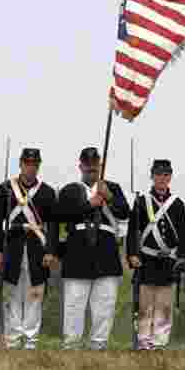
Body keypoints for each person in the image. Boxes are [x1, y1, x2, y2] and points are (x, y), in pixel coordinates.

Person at [54, 147, 130, 350]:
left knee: (104, 304)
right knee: (74, 304)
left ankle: (99, 344)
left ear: (100, 165)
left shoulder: (111, 187)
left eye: (94, 165)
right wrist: (89, 204)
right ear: (80, 166)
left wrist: (109, 197)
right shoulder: (70, 190)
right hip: (77, 251)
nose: (91, 169)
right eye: (87, 166)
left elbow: (125, 213)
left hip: (105, 251)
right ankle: (71, 344)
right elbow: (62, 215)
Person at [0, 148, 58, 350]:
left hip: (37, 248)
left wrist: (50, 251)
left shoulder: (47, 192)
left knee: (35, 295)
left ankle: (30, 341)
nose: (31, 167)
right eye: (27, 163)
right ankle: (12, 339)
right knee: (11, 294)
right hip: (12, 246)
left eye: (34, 164)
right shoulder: (5, 189)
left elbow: (52, 225)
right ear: (21, 164)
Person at [126, 159, 185, 351]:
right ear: (152, 176)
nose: (162, 178)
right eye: (159, 174)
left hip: (168, 261)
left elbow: (184, 234)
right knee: (145, 304)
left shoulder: (177, 204)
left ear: (170, 177)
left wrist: (182, 257)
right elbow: (132, 231)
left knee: (164, 304)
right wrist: (132, 254)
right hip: (146, 260)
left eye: (166, 174)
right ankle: (144, 341)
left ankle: (160, 342)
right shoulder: (141, 202)